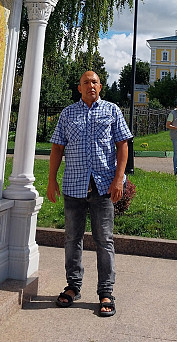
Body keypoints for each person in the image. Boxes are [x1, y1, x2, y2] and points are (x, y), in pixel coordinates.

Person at [47, 70, 132, 317]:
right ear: (79, 88)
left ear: (100, 86)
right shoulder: (68, 114)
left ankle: (106, 292)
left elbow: (122, 145)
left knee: (104, 240)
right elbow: (57, 148)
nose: (90, 85)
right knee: (72, 238)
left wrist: (118, 180)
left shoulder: (112, 110)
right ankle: (73, 286)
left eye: (94, 81)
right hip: (74, 186)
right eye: (86, 82)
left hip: (104, 186)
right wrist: (51, 180)